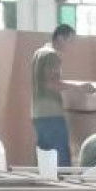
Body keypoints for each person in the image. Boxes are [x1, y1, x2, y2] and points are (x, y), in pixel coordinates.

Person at [31, 23, 75, 167]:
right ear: (61, 38)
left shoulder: (39, 53)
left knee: (45, 157)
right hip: (51, 114)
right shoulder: (51, 55)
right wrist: (79, 88)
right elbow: (51, 83)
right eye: (70, 41)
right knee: (61, 158)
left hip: (38, 114)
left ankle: (46, 181)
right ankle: (63, 182)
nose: (71, 46)